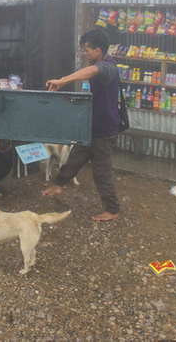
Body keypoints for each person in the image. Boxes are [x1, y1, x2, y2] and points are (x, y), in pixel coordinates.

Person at [41, 27, 121, 221]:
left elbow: (92, 71)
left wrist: (62, 81)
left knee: (101, 171)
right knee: (75, 157)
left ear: (98, 50)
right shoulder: (97, 63)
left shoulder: (107, 67)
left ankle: (112, 209)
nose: (84, 53)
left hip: (104, 130)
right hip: (92, 127)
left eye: (87, 50)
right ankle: (59, 184)